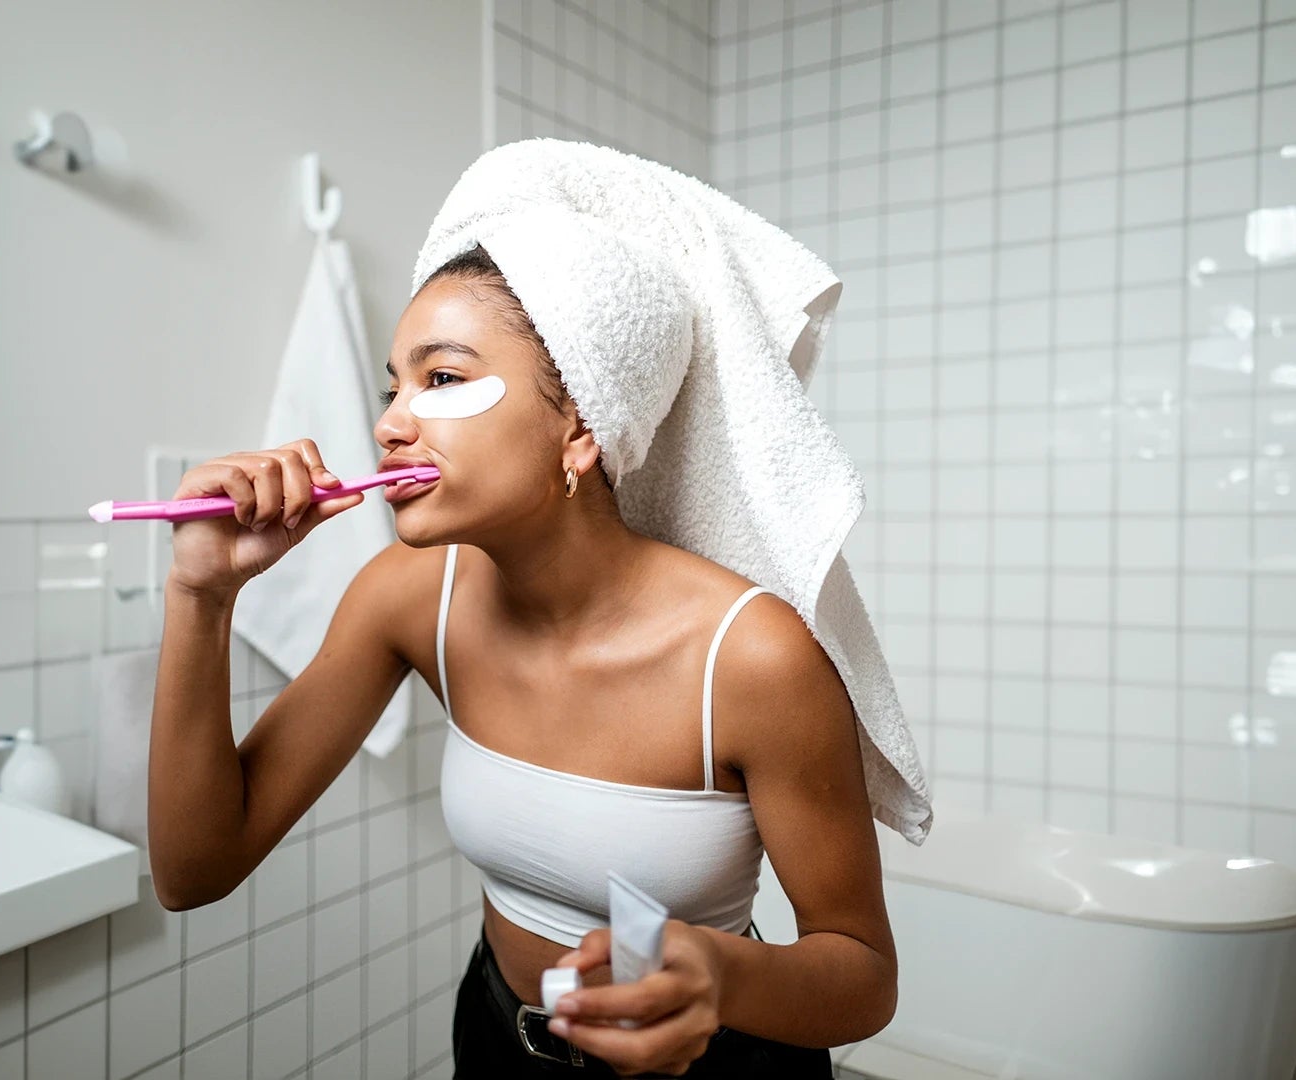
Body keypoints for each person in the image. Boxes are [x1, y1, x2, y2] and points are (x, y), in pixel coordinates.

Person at [147, 244, 896, 1078]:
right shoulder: (407, 598)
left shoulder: (752, 658)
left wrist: (721, 977)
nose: (390, 423)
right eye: (393, 386)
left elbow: (864, 977)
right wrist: (199, 595)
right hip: (498, 1040)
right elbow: (192, 871)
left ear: (579, 423)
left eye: (440, 380)